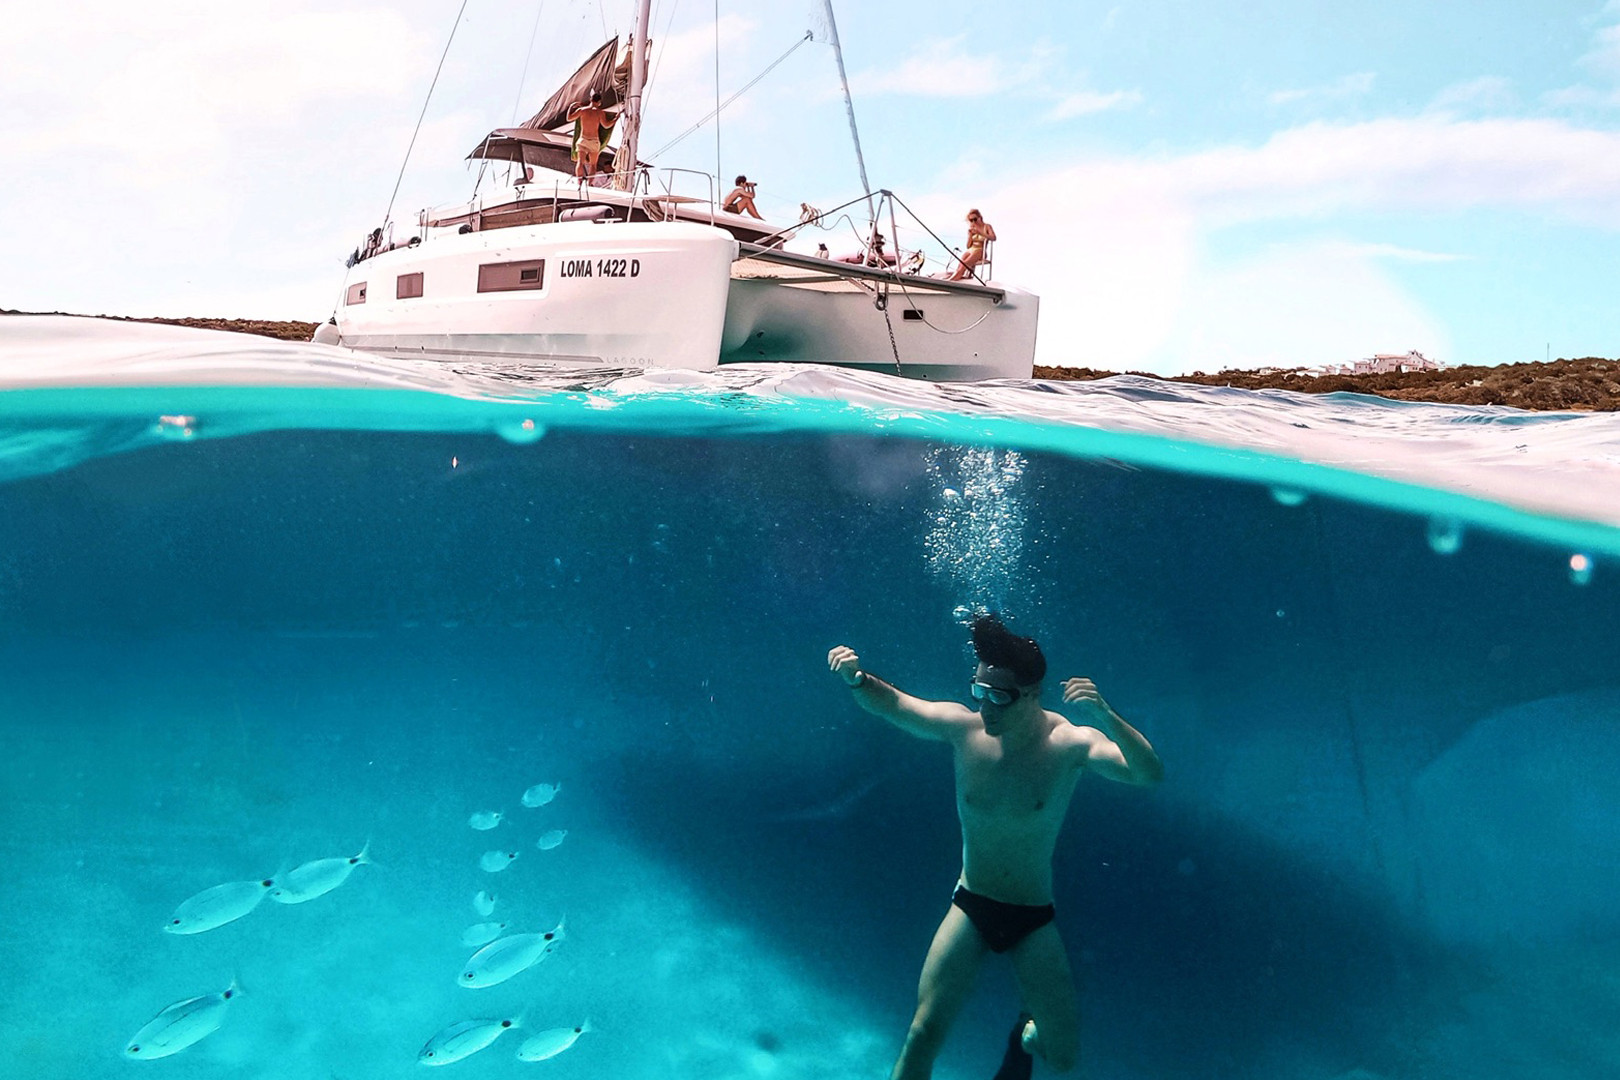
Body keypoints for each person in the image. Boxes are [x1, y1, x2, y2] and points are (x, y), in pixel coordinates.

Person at [827, 615, 1162, 1080]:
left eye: (1000, 697)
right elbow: (896, 705)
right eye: (979, 692)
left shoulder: (1069, 745)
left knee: (1062, 1057)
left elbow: (1147, 774)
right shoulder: (964, 730)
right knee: (922, 1034)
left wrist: (1105, 715)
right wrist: (856, 679)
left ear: (1032, 694)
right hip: (971, 903)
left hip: (1031, 915)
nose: (986, 708)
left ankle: (1027, 1036)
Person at [566, 91, 617, 179]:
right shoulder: (600, 113)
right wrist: (616, 118)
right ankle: (590, 182)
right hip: (594, 141)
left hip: (583, 139)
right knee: (593, 165)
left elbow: (569, 118)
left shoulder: (582, 110)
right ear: (599, 102)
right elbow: (606, 125)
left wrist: (571, 107)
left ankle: (579, 181)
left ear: (590, 99)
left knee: (580, 162)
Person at [946, 209, 996, 281]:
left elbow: (993, 238)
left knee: (965, 263)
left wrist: (979, 232)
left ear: (980, 217)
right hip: (971, 249)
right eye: (971, 220)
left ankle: (952, 280)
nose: (973, 222)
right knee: (961, 263)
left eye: (975, 219)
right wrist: (970, 235)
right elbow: (968, 246)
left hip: (980, 250)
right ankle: (956, 277)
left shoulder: (987, 226)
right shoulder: (972, 228)